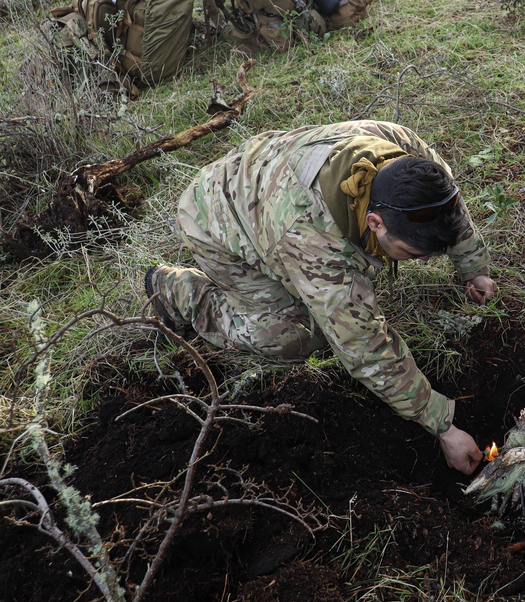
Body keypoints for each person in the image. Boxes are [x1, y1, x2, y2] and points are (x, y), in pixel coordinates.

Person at [145, 120, 497, 474]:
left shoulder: (402, 151)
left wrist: (474, 268)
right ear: (375, 223)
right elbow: (364, 347)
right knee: (294, 336)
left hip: (263, 177)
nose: (422, 261)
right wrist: (443, 426)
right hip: (217, 221)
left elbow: (447, 205)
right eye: (412, 252)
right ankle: (179, 291)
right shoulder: (315, 243)